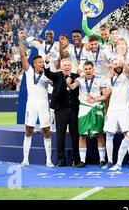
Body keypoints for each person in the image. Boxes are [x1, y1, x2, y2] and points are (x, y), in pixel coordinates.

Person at [18, 31, 53, 167]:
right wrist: (21, 39)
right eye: (40, 62)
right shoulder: (29, 71)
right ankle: (25, 159)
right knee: (28, 130)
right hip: (31, 105)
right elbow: (22, 55)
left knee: (46, 131)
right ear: (34, 64)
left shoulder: (47, 74)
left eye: (43, 62)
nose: (42, 64)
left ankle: (48, 160)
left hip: (44, 105)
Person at [66, 61, 109, 167]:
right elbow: (72, 87)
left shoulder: (100, 80)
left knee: (98, 135)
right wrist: (68, 82)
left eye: (89, 68)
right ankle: (82, 161)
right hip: (83, 109)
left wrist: (94, 99)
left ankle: (102, 160)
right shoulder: (80, 80)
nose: (88, 71)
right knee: (82, 135)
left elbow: (104, 96)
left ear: (93, 69)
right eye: (86, 69)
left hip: (96, 109)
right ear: (83, 70)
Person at [43, 56, 81, 167]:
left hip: (74, 110)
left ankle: (76, 159)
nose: (66, 67)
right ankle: (61, 160)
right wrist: (46, 63)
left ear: (71, 66)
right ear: (61, 66)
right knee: (60, 135)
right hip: (60, 110)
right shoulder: (57, 76)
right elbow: (47, 73)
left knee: (75, 135)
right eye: (64, 65)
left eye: (68, 65)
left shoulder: (76, 77)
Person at [102, 58, 129, 169]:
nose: (118, 65)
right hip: (112, 109)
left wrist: (124, 63)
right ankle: (110, 161)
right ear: (112, 65)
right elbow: (107, 96)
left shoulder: (126, 76)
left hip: (124, 108)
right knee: (109, 134)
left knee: (128, 134)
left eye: (119, 64)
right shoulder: (109, 79)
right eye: (115, 64)